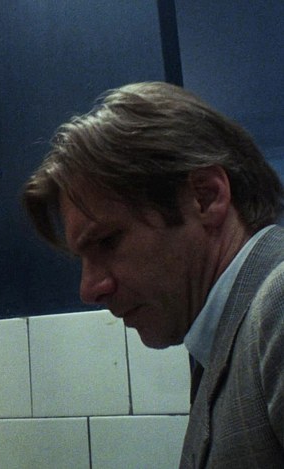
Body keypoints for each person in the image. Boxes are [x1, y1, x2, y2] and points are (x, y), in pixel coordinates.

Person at [22, 81, 284, 467]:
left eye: (108, 241)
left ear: (207, 197)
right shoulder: (224, 335)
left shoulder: (278, 305)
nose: (89, 289)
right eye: (82, 259)